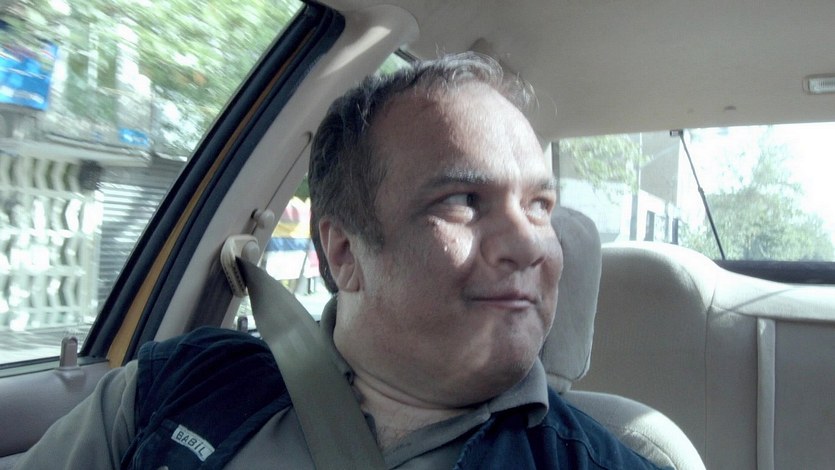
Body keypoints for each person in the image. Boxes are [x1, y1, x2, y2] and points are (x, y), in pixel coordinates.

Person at [15, 53, 664, 469]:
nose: (528, 244)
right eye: (465, 200)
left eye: (539, 205)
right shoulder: (172, 386)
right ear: (344, 252)